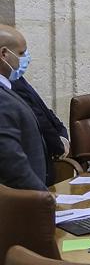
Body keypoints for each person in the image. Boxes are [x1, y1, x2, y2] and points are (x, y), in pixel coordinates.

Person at [0, 24, 47, 190]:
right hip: (23, 202)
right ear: (4, 54)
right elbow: (11, 162)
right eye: (21, 53)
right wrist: (43, 196)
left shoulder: (8, 89)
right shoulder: (2, 99)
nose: (26, 58)